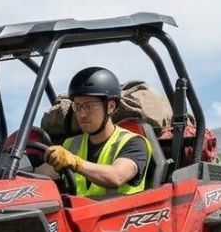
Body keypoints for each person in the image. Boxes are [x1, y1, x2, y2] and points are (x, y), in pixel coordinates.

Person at [43, 67, 152, 198]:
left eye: (89, 106)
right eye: (78, 106)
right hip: (79, 216)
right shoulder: (71, 145)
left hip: (119, 215)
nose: (82, 114)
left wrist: (76, 163)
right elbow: (44, 173)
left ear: (110, 106)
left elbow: (116, 176)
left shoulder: (134, 143)